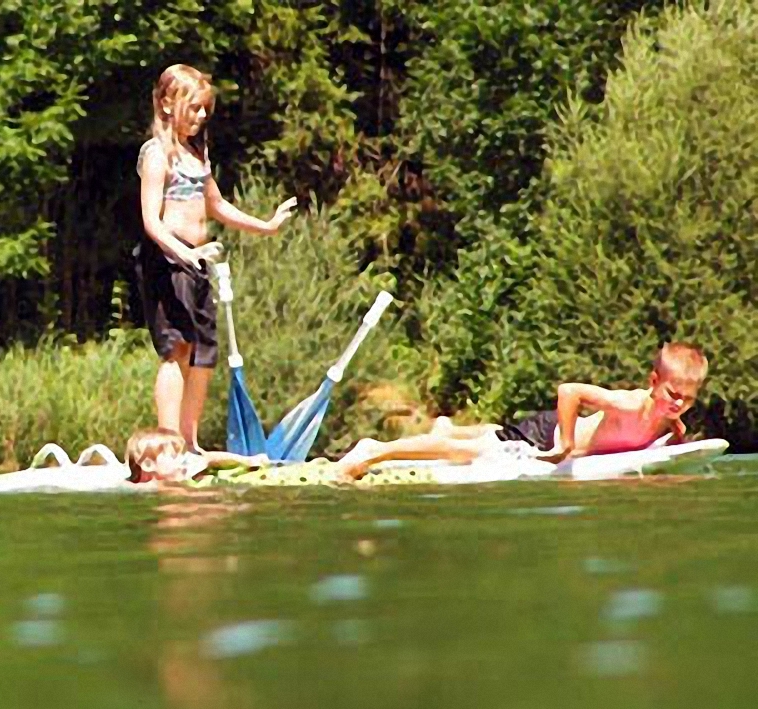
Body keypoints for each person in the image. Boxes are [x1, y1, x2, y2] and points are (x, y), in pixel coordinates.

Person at [136, 64, 297, 452]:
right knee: (178, 348)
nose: (202, 116)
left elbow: (217, 204)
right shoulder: (157, 154)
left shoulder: (197, 154)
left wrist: (267, 225)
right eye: (194, 107)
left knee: (205, 352)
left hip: (197, 262)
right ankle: (169, 441)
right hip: (168, 260)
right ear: (167, 105)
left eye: (205, 108)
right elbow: (151, 222)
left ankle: (190, 442)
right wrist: (184, 253)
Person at [339, 342, 709, 477]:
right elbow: (569, 391)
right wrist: (564, 445)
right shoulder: (629, 402)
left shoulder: (669, 414)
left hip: (547, 437)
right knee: (463, 454)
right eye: (672, 394)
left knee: (489, 434)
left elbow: (674, 429)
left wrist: (678, 436)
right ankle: (374, 451)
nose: (678, 404)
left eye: (688, 400)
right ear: (652, 380)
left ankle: (446, 428)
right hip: (544, 437)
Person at [125, 428, 268, 484]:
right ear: (149, 465)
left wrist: (248, 461)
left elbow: (209, 459)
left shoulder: (184, 470)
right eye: (175, 456)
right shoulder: (142, 490)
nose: (184, 459)